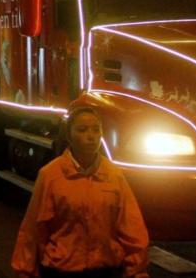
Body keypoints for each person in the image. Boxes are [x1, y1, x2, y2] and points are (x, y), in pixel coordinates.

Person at [11, 107, 150, 278]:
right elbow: (33, 229)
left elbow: (131, 227)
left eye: (96, 129)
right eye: (82, 130)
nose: (91, 136)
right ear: (69, 136)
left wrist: (137, 270)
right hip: (61, 271)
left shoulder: (114, 176)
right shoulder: (51, 175)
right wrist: (24, 271)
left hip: (105, 271)